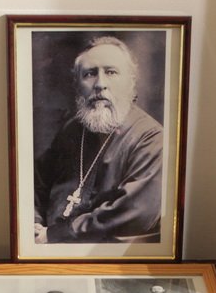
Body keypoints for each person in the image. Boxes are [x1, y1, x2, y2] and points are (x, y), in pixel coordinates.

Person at [34, 36, 163, 244]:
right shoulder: (72, 130)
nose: (100, 84)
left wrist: (54, 235)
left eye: (111, 72)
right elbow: (36, 184)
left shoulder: (151, 138)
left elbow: (135, 214)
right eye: (90, 74)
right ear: (77, 85)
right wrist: (34, 223)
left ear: (131, 83)